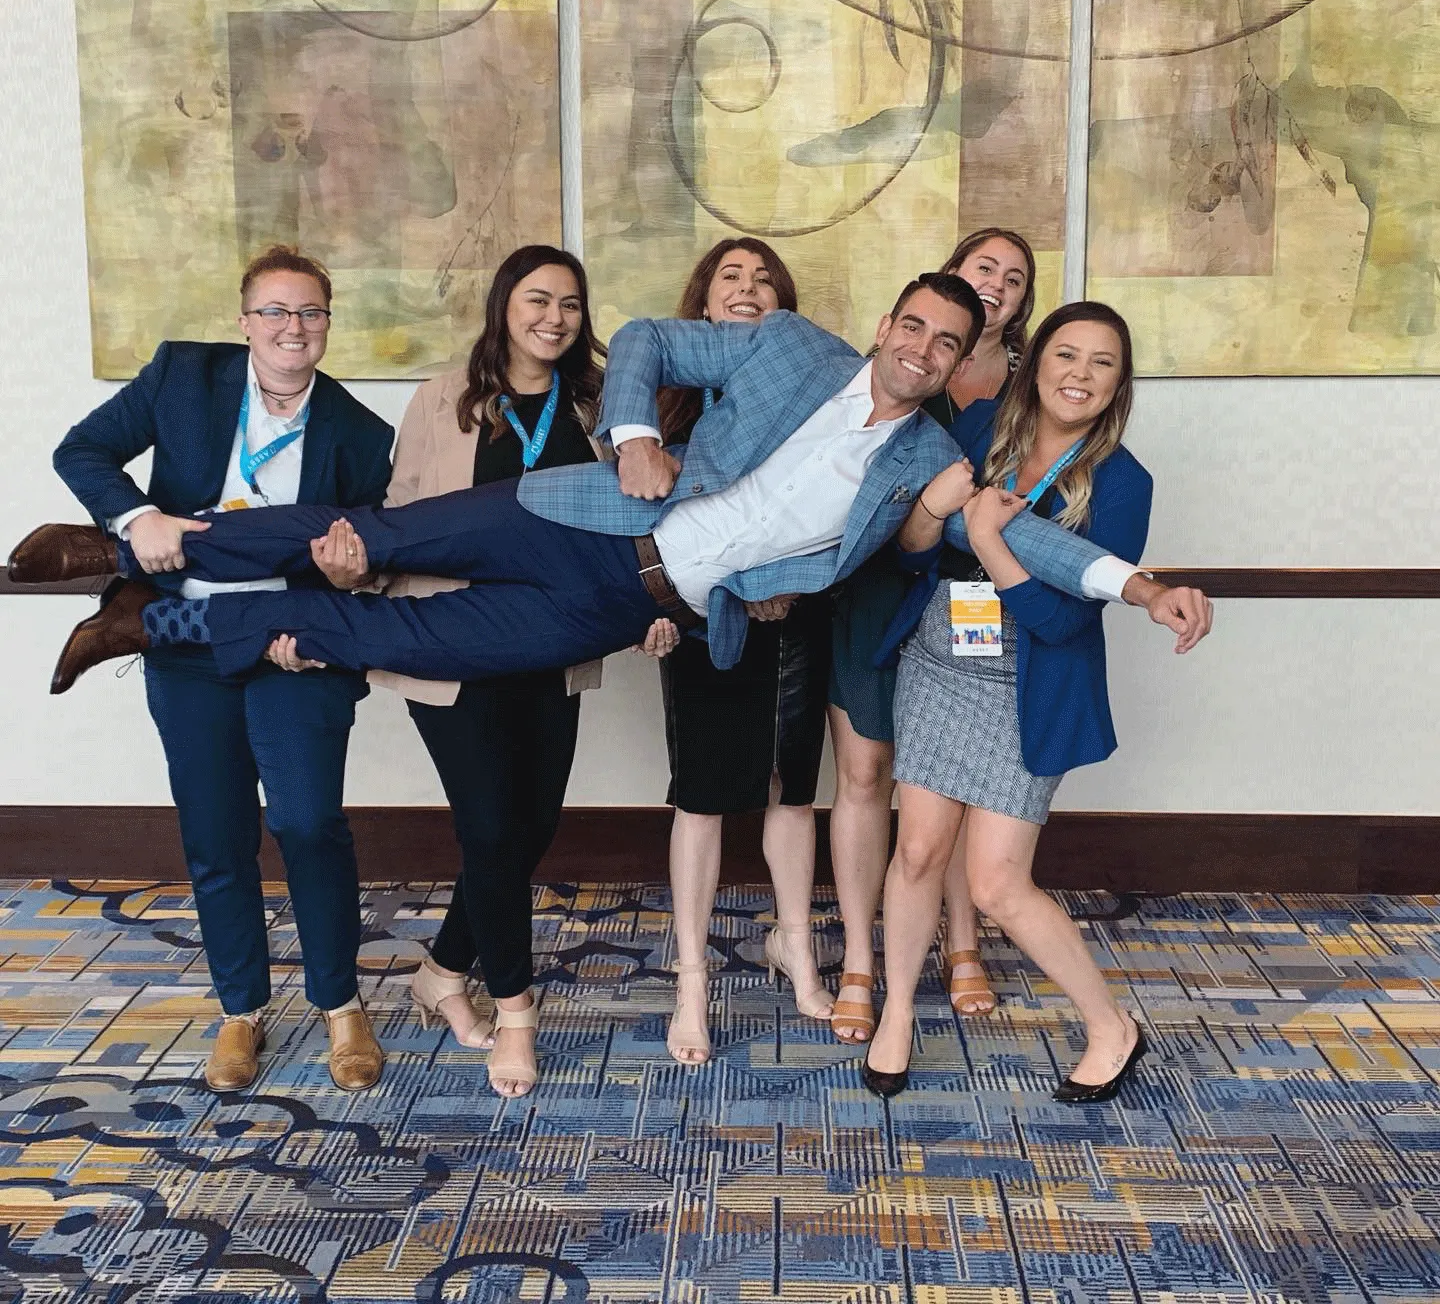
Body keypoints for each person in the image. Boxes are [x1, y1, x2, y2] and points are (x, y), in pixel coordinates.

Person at [12, 275, 1211, 730]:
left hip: (621, 606)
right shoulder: (789, 347)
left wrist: (1141, 583)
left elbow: (1032, 531)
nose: (921, 349)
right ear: (889, 323)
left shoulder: (929, 466)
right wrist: (634, 433)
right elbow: (642, 338)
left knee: (387, 634)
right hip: (574, 512)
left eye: (946, 344)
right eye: (912, 325)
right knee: (366, 540)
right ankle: (140, 541)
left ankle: (152, 621)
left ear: (957, 362)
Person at [280, 246, 675, 1099]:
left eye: (571, 304)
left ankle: (441, 971)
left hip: (553, 652)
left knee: (527, 832)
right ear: (504, 306)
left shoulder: (600, 408)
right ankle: (517, 1015)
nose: (555, 318)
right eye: (538, 300)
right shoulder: (443, 400)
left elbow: (632, 534)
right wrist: (356, 585)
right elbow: (401, 522)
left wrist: (649, 610)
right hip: (455, 650)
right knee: (493, 832)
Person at [21, 245, 395, 1094]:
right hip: (188, 648)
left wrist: (348, 576)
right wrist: (137, 512)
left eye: (309, 313)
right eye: (275, 312)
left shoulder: (363, 434)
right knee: (216, 833)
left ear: (329, 325)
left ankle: (341, 1004)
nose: (291, 328)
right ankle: (241, 1010)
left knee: (306, 822)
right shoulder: (183, 377)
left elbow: (371, 562)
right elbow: (81, 452)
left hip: (292, 649)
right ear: (244, 321)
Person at [862, 301, 1157, 1104]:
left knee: (996, 885)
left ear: (1119, 384)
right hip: (936, 667)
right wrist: (936, 513)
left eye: (1102, 363)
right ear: (1036, 363)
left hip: (1025, 690)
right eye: (1067, 354)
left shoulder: (1124, 483)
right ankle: (896, 1016)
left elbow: (1063, 620)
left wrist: (991, 540)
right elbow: (913, 546)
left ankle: (1110, 1026)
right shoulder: (981, 424)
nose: (1080, 375)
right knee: (918, 852)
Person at [827, 228, 1036, 1044]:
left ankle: (963, 942)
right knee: (866, 771)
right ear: (947, 276)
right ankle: (856, 959)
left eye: (1014, 280)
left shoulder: (1029, 385)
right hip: (879, 591)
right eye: (984, 267)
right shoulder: (900, 360)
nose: (998, 285)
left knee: (952, 779)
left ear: (1021, 305)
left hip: (974, 601)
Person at [655, 238, 835, 1067]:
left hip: (797, 611)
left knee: (791, 788)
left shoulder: (813, 393)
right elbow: (633, 519)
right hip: (697, 618)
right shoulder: (665, 406)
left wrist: (791, 580)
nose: (749, 287)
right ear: (702, 300)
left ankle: (795, 948)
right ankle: (692, 981)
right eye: (731, 274)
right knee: (701, 795)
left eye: (765, 279)